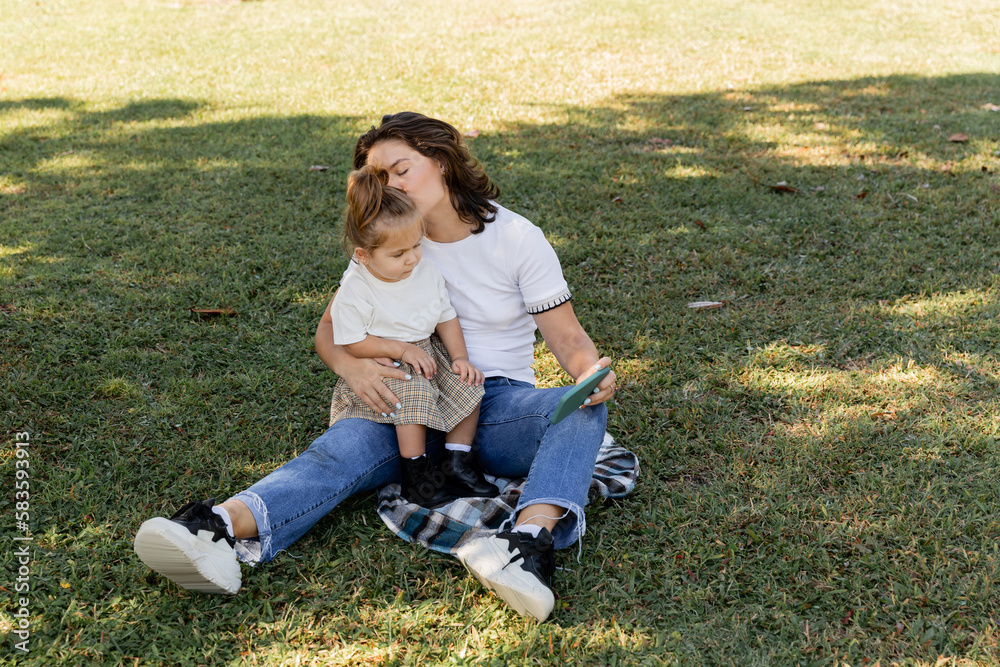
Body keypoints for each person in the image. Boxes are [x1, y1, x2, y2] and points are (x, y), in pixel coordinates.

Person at [133, 112, 618, 622]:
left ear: (442, 160)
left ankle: (523, 546)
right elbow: (330, 332)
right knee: (336, 453)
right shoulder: (386, 238)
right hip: (402, 394)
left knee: (579, 410)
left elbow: (567, 337)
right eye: (380, 177)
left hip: (491, 403)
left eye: (401, 169)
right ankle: (213, 528)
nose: (392, 185)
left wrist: (591, 373)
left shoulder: (516, 237)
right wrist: (355, 371)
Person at [328, 164, 497, 506]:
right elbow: (351, 340)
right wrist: (401, 350)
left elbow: (445, 317)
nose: (412, 259)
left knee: (470, 385)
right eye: (398, 254)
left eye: (416, 246)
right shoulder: (357, 287)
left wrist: (460, 358)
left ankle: (456, 460)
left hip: (428, 353)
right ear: (363, 255)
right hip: (382, 357)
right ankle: (416, 473)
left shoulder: (426, 271)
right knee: (413, 393)